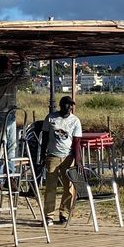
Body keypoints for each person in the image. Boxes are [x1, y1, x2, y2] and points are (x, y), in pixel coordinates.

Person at [42, 96, 82, 225]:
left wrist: (78, 160)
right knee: (50, 187)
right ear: (60, 105)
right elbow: (44, 138)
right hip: (52, 156)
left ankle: (64, 213)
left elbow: (76, 142)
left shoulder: (75, 121)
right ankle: (48, 215)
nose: (69, 107)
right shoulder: (51, 118)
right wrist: (43, 155)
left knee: (69, 187)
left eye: (71, 105)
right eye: (66, 104)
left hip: (68, 156)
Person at [0, 56, 26, 173]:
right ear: (4, 66)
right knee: (4, 146)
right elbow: (24, 76)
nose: (11, 66)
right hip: (2, 113)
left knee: (7, 145)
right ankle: (3, 178)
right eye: (9, 64)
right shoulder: (4, 78)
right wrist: (23, 60)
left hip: (4, 112)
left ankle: (7, 176)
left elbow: (16, 70)